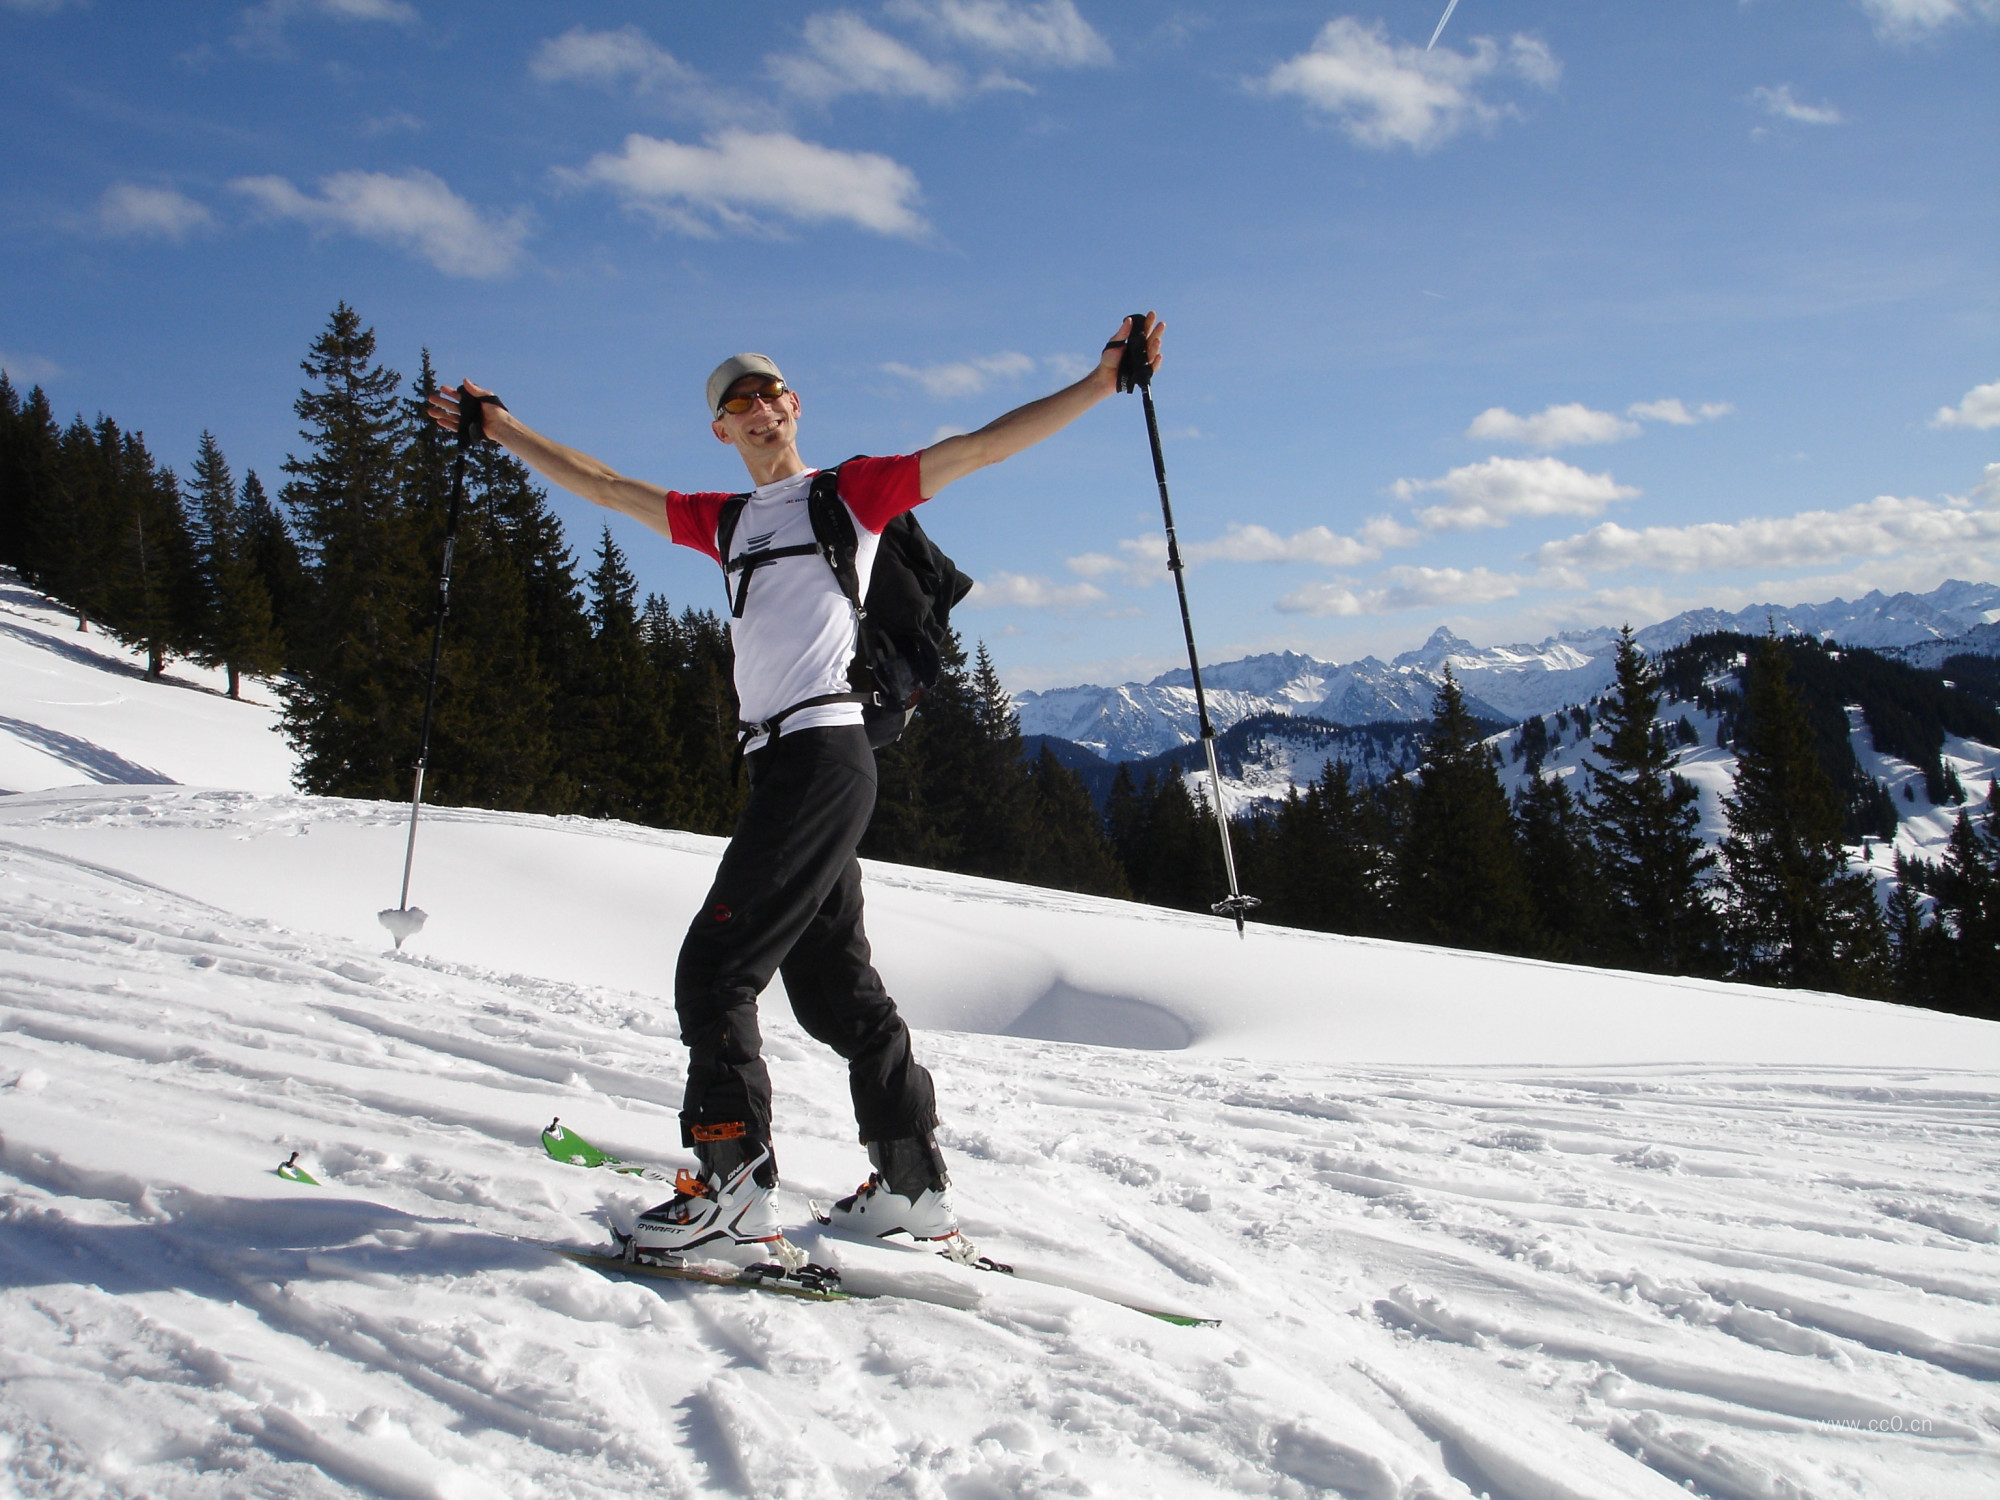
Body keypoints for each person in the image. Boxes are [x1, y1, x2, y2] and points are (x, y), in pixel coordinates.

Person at [429, 312, 1164, 1267]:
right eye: (739, 403)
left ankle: (730, 1189)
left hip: (824, 752)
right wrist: (502, 430)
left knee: (715, 970)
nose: (760, 408)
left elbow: (977, 448)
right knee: (837, 997)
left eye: (771, 394)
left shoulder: (848, 496)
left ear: (794, 406)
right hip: (787, 767)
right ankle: (911, 1188)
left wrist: (1100, 382)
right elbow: (605, 486)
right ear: (721, 432)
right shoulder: (724, 520)